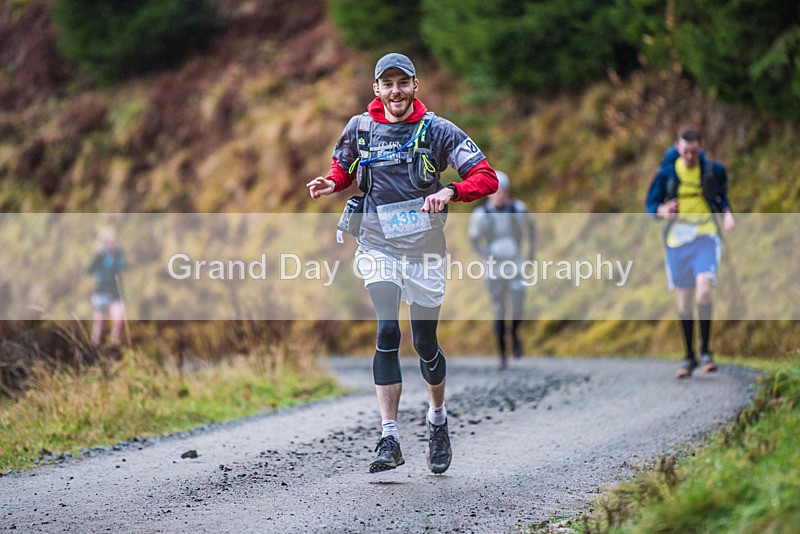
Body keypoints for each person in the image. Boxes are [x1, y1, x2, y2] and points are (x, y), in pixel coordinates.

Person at [307, 53, 498, 474]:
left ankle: (437, 420)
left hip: (425, 250)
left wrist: (450, 191)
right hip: (377, 245)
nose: (395, 91)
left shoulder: (438, 130)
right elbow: (343, 167)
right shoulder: (360, 128)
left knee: (425, 343)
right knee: (388, 330)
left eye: (403, 83)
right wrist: (331, 182)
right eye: (387, 83)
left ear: (415, 86)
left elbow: (486, 176)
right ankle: (389, 437)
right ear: (376, 88)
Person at [645, 126, 735, 378]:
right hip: (677, 242)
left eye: (694, 152)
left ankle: (706, 351)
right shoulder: (666, 174)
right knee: (684, 301)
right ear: (678, 148)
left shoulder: (712, 170)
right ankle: (689, 356)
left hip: (705, 236)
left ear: (701, 147)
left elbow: (722, 197)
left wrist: (727, 214)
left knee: (704, 290)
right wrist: (662, 211)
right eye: (685, 152)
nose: (690, 157)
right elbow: (651, 205)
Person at [468, 171, 536, 370]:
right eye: (495, 192)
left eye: (502, 191)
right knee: (499, 310)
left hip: (515, 263)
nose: (499, 196)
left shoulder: (518, 209)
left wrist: (530, 254)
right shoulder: (481, 215)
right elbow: (474, 240)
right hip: (494, 267)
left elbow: (531, 231)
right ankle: (502, 354)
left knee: (518, 305)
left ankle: (513, 333)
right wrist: (487, 254)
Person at [88, 228, 126, 346]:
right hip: (101, 291)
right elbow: (90, 269)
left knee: (119, 319)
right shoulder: (100, 255)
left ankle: (114, 344)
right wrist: (102, 272)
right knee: (99, 322)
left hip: (115, 291)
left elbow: (121, 267)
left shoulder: (118, 254)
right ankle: (94, 345)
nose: (111, 243)